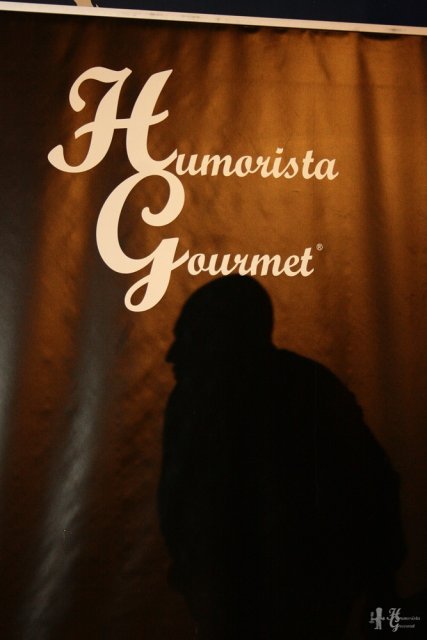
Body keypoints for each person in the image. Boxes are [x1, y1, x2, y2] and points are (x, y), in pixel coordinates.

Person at [158, 275, 404, 639]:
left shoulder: (203, 404)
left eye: (191, 336)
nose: (173, 354)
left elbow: (371, 488)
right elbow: (376, 487)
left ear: (227, 337)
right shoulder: (305, 389)